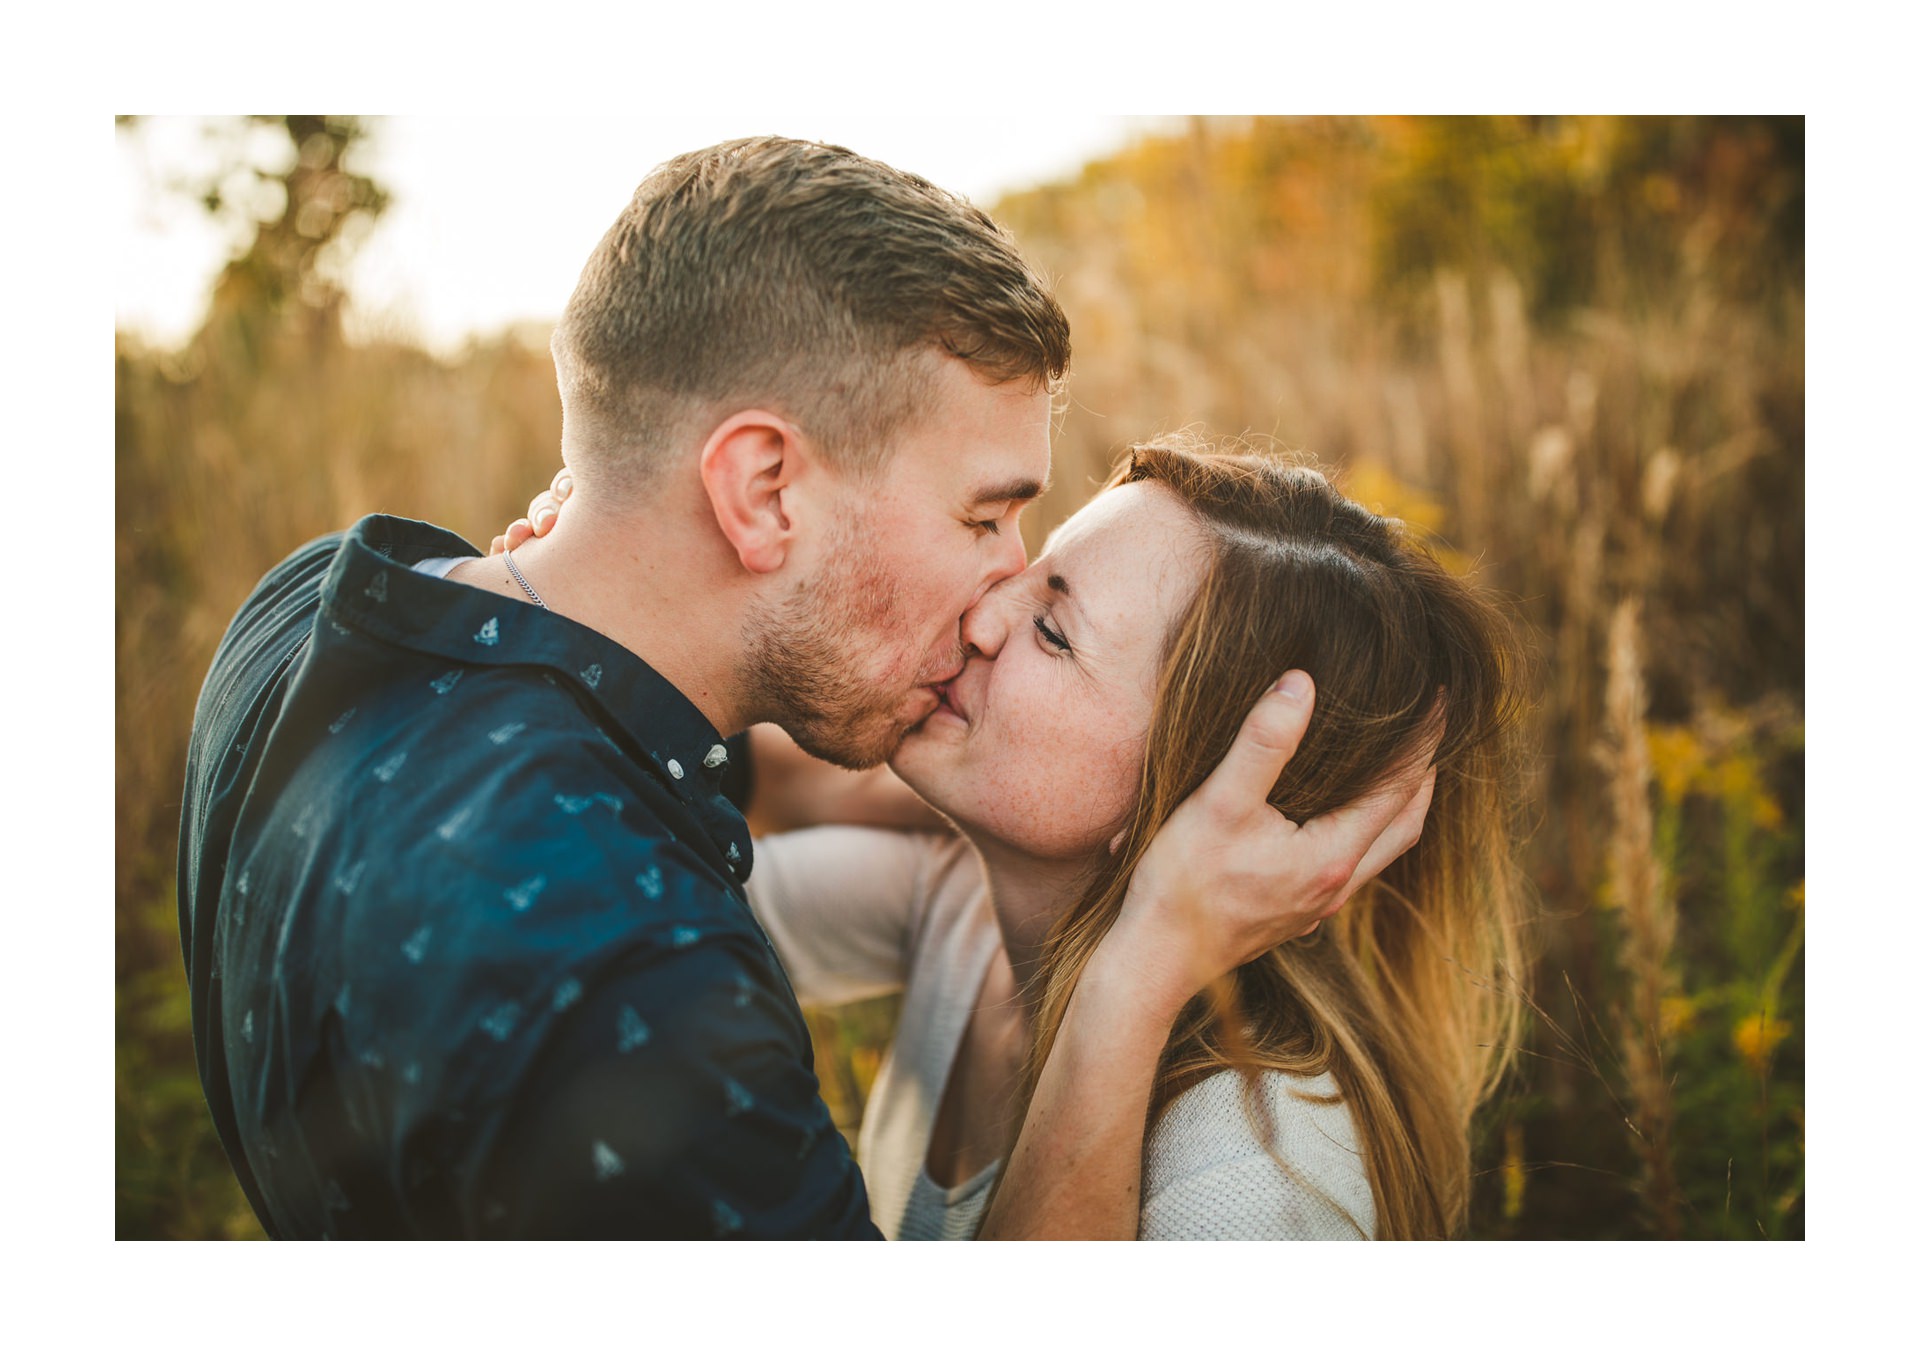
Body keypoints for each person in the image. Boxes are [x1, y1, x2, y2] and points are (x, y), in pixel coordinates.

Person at [177, 136, 1433, 1239]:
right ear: (763, 489)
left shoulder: (306, 612)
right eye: (987, 516)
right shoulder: (634, 976)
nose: (999, 591)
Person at [504, 434, 1525, 1240]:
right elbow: (604, 926)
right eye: (1035, 574)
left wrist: (1135, 978)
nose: (983, 614)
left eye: (1054, 632)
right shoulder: (961, 910)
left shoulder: (1259, 1177)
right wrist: (596, 626)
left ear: (1191, 795)